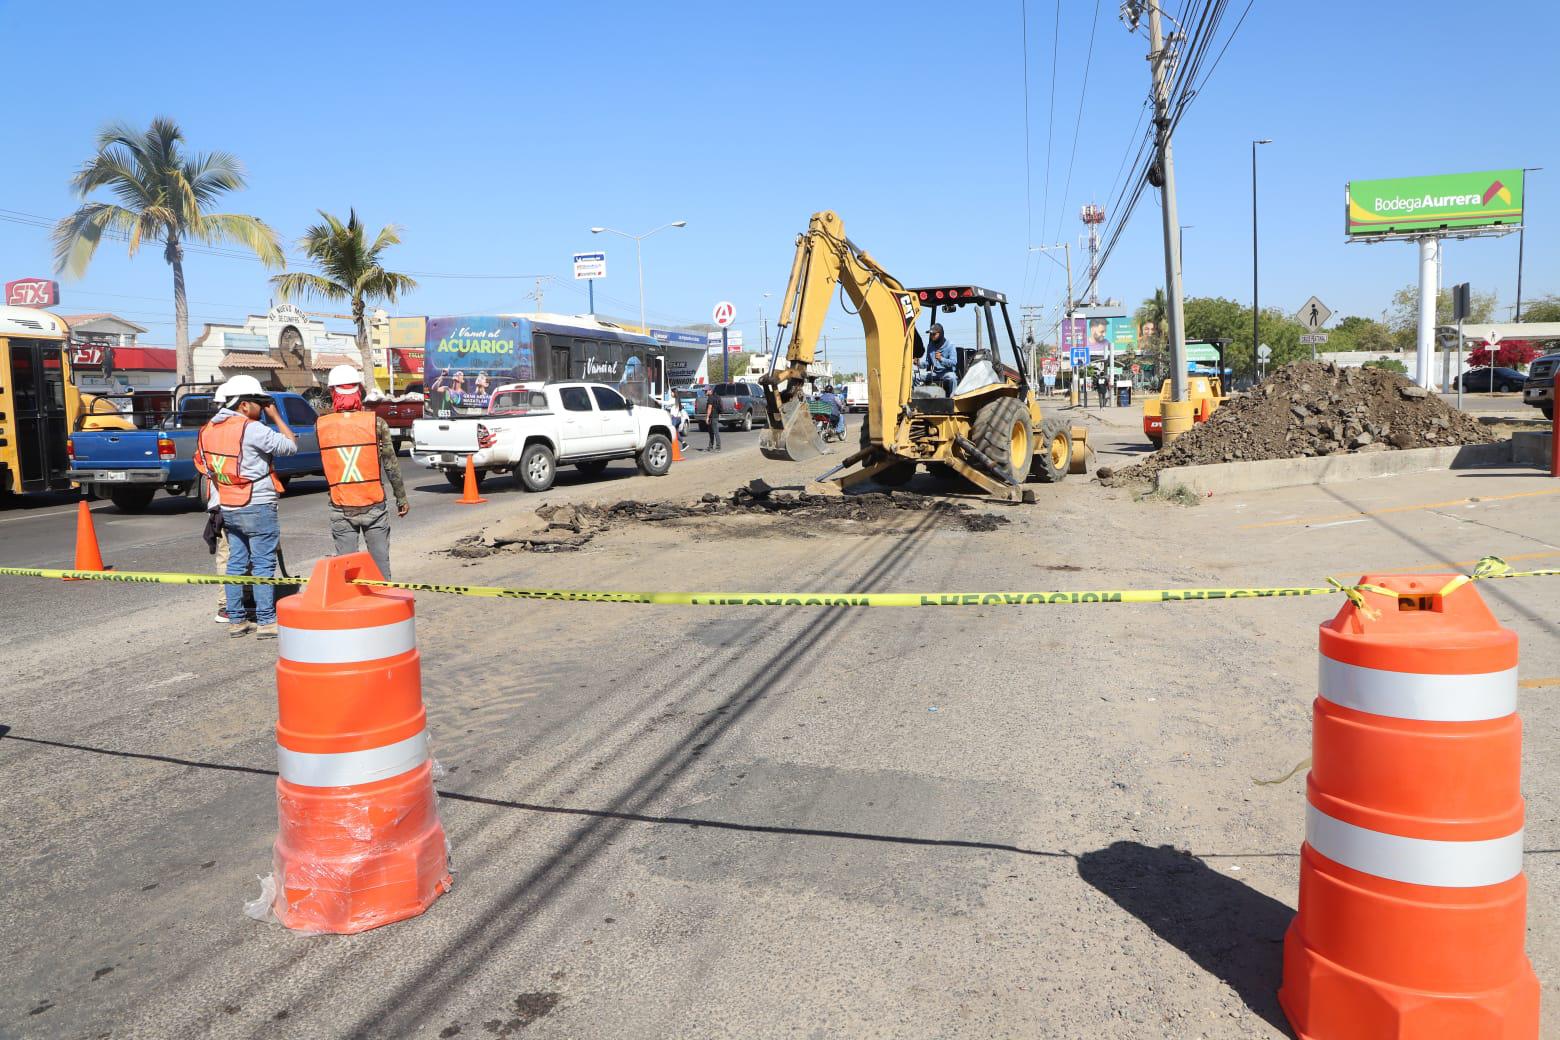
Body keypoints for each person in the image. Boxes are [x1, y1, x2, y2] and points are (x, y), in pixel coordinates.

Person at [194, 374, 297, 639]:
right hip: (258, 504)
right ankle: (266, 621)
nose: (262, 407)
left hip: (229, 505)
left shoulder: (207, 430)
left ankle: (236, 620)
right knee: (263, 564)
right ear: (243, 404)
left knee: (236, 564)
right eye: (258, 402)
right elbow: (290, 446)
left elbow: (204, 466)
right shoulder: (251, 428)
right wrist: (275, 417)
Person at [317, 365, 408, 579]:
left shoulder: (321, 426)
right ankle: (385, 610)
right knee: (380, 569)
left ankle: (351, 610)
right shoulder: (376, 424)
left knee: (347, 573)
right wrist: (401, 498)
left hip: (341, 507)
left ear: (332, 393)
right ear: (359, 391)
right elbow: (391, 465)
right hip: (374, 506)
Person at [920, 323, 958, 396]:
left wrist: (941, 359)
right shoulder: (930, 345)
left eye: (934, 334)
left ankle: (952, 399)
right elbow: (928, 363)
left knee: (952, 378)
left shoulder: (950, 345)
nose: (932, 336)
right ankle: (914, 399)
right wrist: (919, 364)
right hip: (935, 373)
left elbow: (954, 362)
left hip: (946, 372)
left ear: (940, 334)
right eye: (931, 334)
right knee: (915, 376)